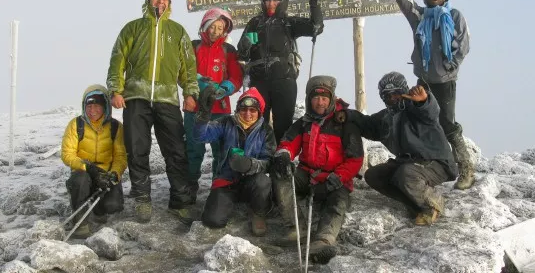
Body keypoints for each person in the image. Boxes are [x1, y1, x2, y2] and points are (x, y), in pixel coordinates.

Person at [106, 0, 199, 223]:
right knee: (137, 149)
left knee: (176, 150)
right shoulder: (132, 29)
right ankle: (142, 199)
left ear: (169, 3)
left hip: (167, 98)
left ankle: (179, 201)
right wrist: (116, 89)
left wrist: (190, 93)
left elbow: (188, 67)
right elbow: (117, 59)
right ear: (149, 0)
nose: (160, 1)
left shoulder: (178, 32)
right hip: (136, 97)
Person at [384, 0, 474, 189]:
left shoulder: (454, 16)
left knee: (446, 122)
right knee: (419, 119)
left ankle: (466, 168)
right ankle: (424, 166)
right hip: (423, 80)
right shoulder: (420, 17)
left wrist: (452, 63)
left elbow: (463, 43)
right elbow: (403, 0)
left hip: (445, 80)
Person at [271, 75, 363, 264]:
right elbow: (288, 142)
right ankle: (297, 228)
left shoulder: (345, 123)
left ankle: (323, 240)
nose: (320, 102)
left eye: (324, 98)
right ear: (309, 99)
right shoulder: (304, 122)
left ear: (331, 99)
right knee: (281, 176)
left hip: (336, 178)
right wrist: (283, 155)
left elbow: (355, 159)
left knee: (336, 204)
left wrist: (335, 179)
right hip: (307, 173)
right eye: (315, 98)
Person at [346, 72, 458, 225]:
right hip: (407, 162)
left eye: (396, 94)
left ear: (404, 91)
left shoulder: (416, 108)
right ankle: (413, 204)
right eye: (387, 96)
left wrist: (424, 101)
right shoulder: (386, 117)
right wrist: (344, 114)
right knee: (374, 175)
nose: (392, 99)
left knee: (406, 175)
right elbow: (367, 124)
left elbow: (430, 111)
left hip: (436, 162)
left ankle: (432, 204)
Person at [237, 0, 324, 144]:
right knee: (257, 122)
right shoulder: (255, 23)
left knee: (283, 123)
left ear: (282, 2)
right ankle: (259, 161)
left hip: (284, 79)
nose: (271, 4)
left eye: (275, 0)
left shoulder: (288, 22)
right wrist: (244, 45)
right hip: (259, 80)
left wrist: (314, 2)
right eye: (267, 0)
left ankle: (281, 159)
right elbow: (241, 54)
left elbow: (316, 27)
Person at [193, 86, 274, 236]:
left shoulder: (265, 131)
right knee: (213, 221)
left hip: (252, 181)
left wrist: (250, 164)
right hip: (227, 181)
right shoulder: (226, 122)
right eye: (243, 109)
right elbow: (200, 137)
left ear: (259, 112)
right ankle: (228, 201)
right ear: (237, 110)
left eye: (253, 110)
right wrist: (203, 116)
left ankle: (258, 213)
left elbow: (268, 161)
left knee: (263, 182)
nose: (248, 114)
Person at [184, 8, 243, 204]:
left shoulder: (228, 51)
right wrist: (201, 84)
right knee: (193, 150)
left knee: (221, 151)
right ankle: (190, 186)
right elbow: (184, 73)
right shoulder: (194, 47)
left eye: (220, 27)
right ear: (205, 24)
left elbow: (236, 77)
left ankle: (218, 189)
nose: (216, 31)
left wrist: (224, 88)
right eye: (213, 26)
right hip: (195, 108)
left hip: (220, 110)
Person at [61, 85, 127, 238]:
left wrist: (114, 175)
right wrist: (87, 167)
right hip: (83, 171)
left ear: (105, 107)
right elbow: (67, 154)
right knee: (80, 180)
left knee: (113, 206)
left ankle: (98, 207)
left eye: (97, 106)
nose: (92, 110)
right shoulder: (76, 125)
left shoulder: (116, 127)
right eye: (89, 106)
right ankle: (80, 221)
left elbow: (120, 157)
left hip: (105, 173)